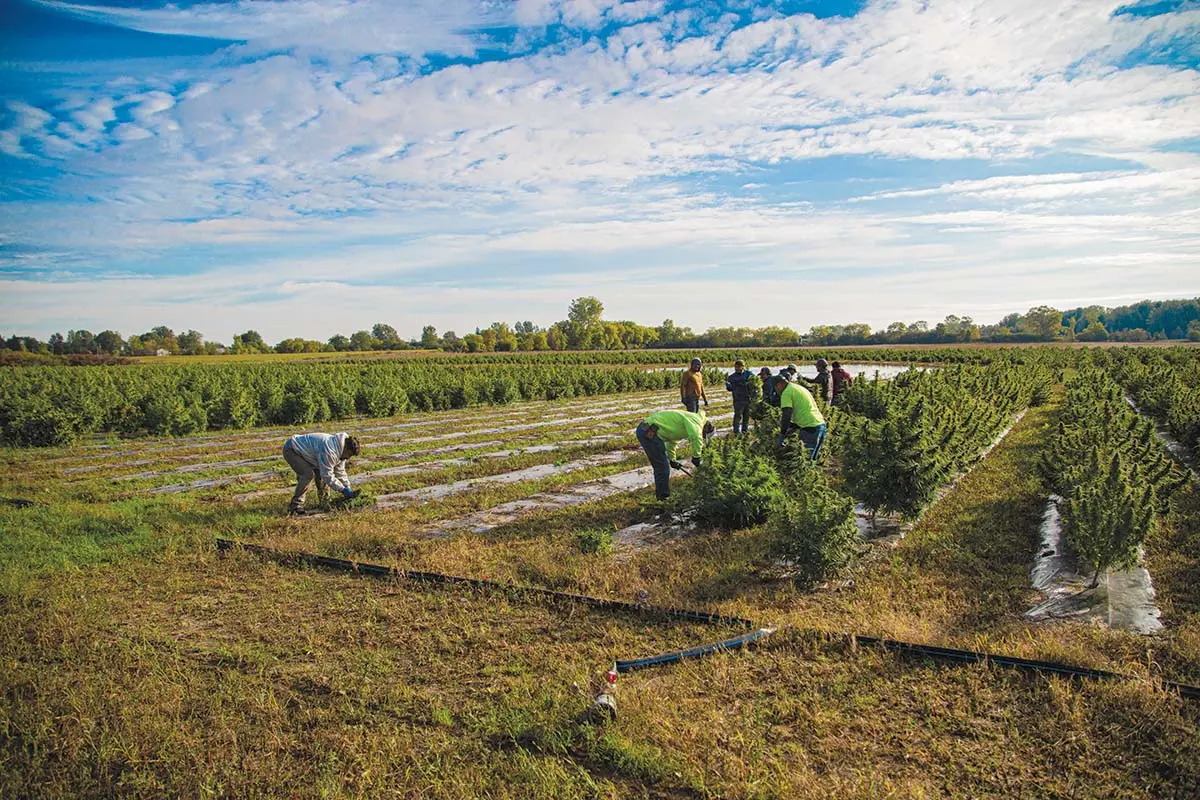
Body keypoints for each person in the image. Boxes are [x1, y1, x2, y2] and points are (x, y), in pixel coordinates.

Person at [635, 410, 714, 501]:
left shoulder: (689, 422)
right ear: (706, 428)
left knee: (663, 465)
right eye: (704, 435)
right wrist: (697, 457)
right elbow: (696, 437)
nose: (702, 436)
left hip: (648, 431)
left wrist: (672, 460)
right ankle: (663, 499)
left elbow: (672, 442)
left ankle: (662, 496)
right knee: (662, 467)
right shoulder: (697, 422)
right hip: (648, 432)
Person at [283, 432, 361, 514]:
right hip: (292, 449)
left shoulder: (341, 452)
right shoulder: (329, 450)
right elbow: (327, 475)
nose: (348, 458)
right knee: (307, 475)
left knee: (321, 475)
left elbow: (340, 472)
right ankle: (295, 506)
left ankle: (324, 503)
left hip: (309, 453)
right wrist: (342, 489)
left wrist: (347, 487)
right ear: (346, 448)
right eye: (349, 454)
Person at [772, 375, 827, 461]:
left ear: (779, 384)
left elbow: (786, 415)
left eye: (775, 388)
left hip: (809, 429)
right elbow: (803, 410)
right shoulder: (797, 388)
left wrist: (782, 434)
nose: (777, 391)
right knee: (812, 461)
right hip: (820, 425)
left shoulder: (786, 392)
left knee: (804, 461)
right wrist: (794, 427)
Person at [725, 359, 754, 434]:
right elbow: (729, 388)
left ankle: (745, 431)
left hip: (748, 399)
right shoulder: (732, 377)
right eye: (736, 367)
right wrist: (729, 386)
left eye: (739, 367)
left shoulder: (749, 374)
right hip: (738, 400)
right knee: (738, 416)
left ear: (743, 367)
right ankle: (736, 432)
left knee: (746, 417)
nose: (737, 368)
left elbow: (754, 384)